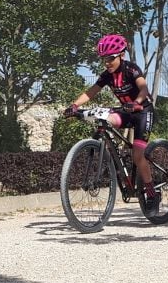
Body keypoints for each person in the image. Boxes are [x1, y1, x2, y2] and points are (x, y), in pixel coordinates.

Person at [65, 34, 160, 211]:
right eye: (104, 59)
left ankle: (152, 193)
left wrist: (137, 102)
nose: (107, 62)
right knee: (104, 120)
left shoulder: (131, 69)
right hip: (125, 111)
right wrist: (75, 105)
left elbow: (143, 88)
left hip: (142, 112)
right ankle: (109, 152)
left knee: (138, 156)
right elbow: (91, 92)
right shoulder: (107, 76)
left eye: (110, 58)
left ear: (121, 55)